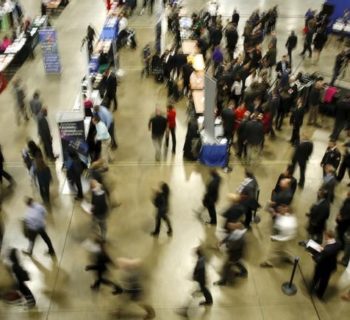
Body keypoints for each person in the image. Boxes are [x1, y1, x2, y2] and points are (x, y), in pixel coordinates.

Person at [310, 230, 341, 299]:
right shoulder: (338, 243)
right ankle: (320, 294)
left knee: (316, 278)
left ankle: (312, 289)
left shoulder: (327, 250)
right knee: (325, 281)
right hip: (331, 266)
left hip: (322, 267)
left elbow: (317, 259)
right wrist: (323, 248)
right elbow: (330, 251)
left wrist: (312, 254)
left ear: (327, 236)